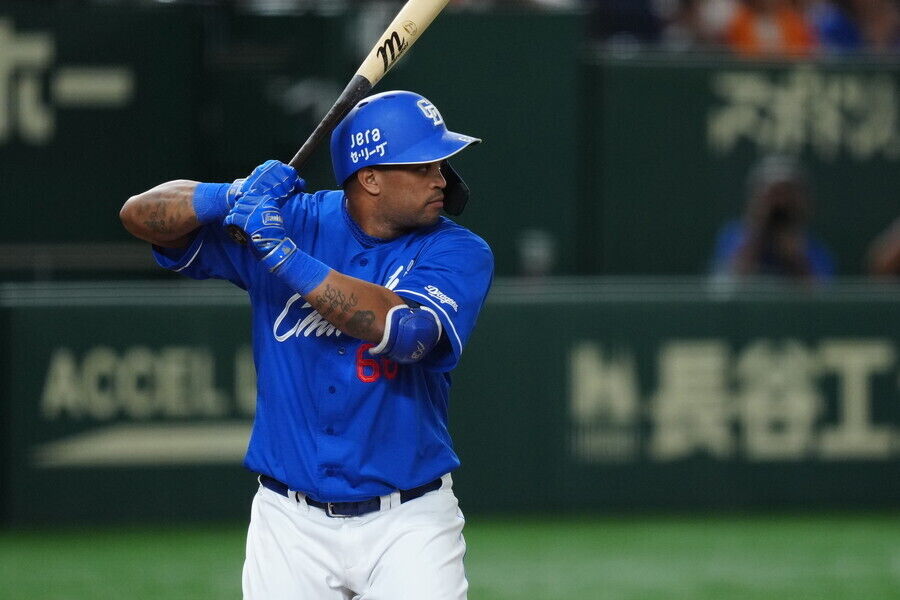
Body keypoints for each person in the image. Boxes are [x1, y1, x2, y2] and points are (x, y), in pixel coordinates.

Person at [119, 90, 494, 600]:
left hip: (410, 521)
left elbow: (409, 335)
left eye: (440, 165)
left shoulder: (457, 248)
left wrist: (284, 256)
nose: (441, 179)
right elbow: (138, 216)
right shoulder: (290, 219)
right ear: (371, 178)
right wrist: (229, 195)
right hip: (288, 524)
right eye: (423, 166)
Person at [710, 154, 835, 283]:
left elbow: (817, 290)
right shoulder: (733, 236)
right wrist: (758, 236)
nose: (781, 203)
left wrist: (794, 257)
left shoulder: (813, 248)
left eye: (788, 195)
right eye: (773, 195)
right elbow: (728, 283)